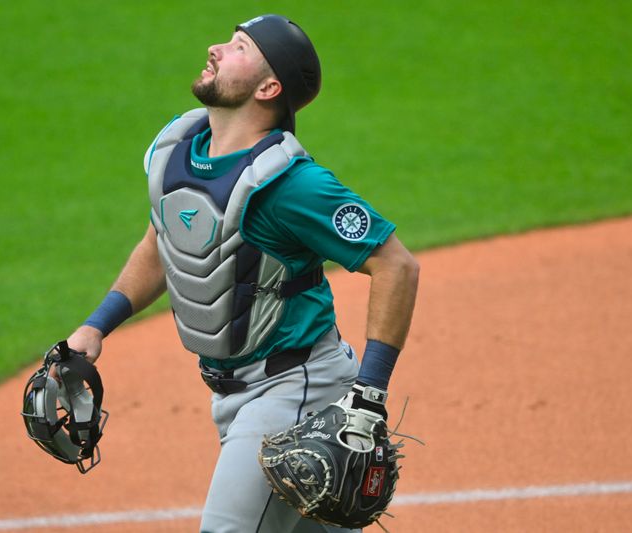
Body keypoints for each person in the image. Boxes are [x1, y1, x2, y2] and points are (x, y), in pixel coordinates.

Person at [64, 14, 419, 533]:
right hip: (233, 396)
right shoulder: (180, 153)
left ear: (269, 87)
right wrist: (98, 324)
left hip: (297, 391)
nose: (215, 48)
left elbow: (396, 264)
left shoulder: (292, 185)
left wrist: (369, 395)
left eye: (238, 47)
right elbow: (160, 243)